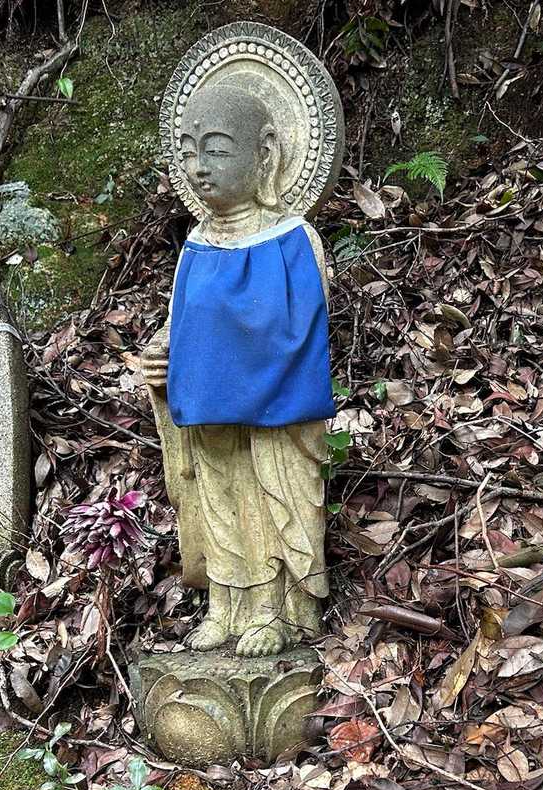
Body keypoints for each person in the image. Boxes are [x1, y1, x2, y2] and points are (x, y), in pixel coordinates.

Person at [138, 84, 330, 658]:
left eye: (217, 150)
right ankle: (225, 604)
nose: (199, 167)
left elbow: (305, 330)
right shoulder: (195, 244)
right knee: (218, 495)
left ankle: (273, 609)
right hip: (209, 403)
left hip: (277, 407)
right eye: (189, 152)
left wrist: (251, 376)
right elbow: (183, 323)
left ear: (265, 153)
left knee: (269, 491)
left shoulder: (295, 240)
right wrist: (162, 356)